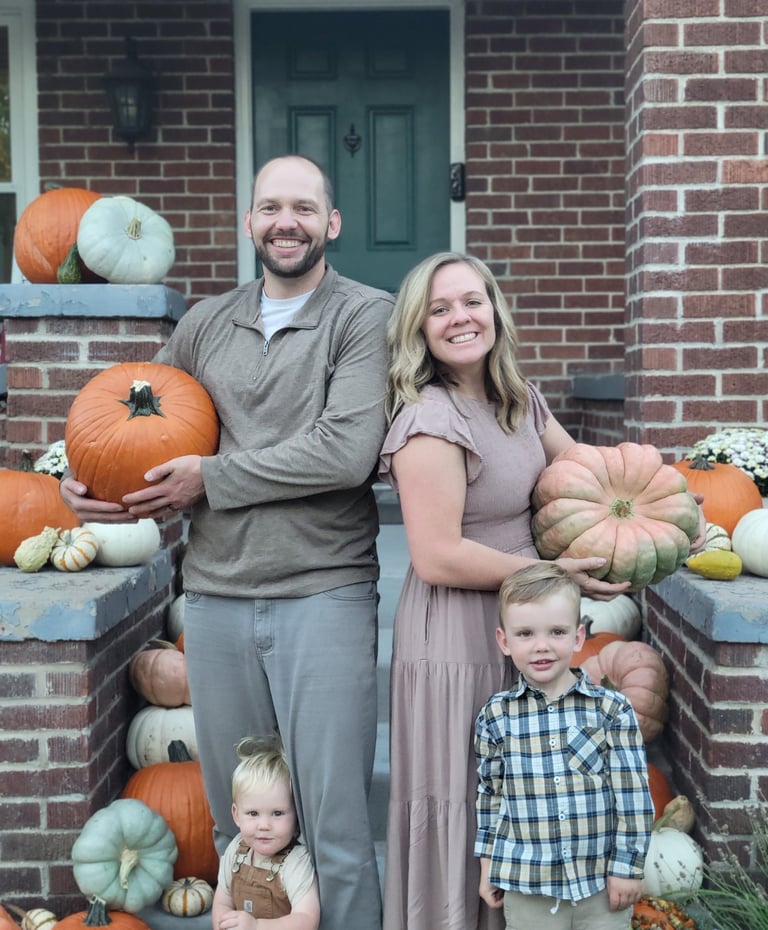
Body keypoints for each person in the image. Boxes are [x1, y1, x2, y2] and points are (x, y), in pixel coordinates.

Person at [60, 154, 394, 930]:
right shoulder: (207, 323)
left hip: (324, 590)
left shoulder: (364, 316)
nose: (288, 222)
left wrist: (210, 477)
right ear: (249, 222)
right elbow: (139, 427)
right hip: (214, 598)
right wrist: (90, 487)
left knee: (334, 823)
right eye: (271, 207)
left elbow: (343, 451)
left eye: (305, 209)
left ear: (331, 224)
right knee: (235, 823)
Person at [379, 250, 644, 930]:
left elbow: (580, 464)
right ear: (420, 330)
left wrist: (652, 506)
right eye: (440, 310)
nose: (460, 318)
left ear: (495, 308)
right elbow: (436, 556)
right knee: (467, 788)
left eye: (472, 301)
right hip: (460, 627)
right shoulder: (429, 420)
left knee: (530, 783)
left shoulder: (518, 398)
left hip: (527, 617)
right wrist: (555, 576)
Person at [475, 562, 654, 929]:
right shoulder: (496, 716)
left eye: (556, 631)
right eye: (525, 633)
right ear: (504, 641)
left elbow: (633, 795)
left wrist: (627, 868)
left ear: (578, 637)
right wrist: (489, 866)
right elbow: (490, 798)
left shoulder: (610, 710)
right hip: (529, 887)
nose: (542, 646)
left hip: (600, 886)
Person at [213, 735, 320, 930]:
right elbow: (223, 900)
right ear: (236, 815)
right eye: (253, 813)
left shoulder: (295, 862)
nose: (264, 825)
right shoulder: (236, 851)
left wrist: (256, 926)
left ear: (296, 815)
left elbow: (306, 919)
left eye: (277, 813)